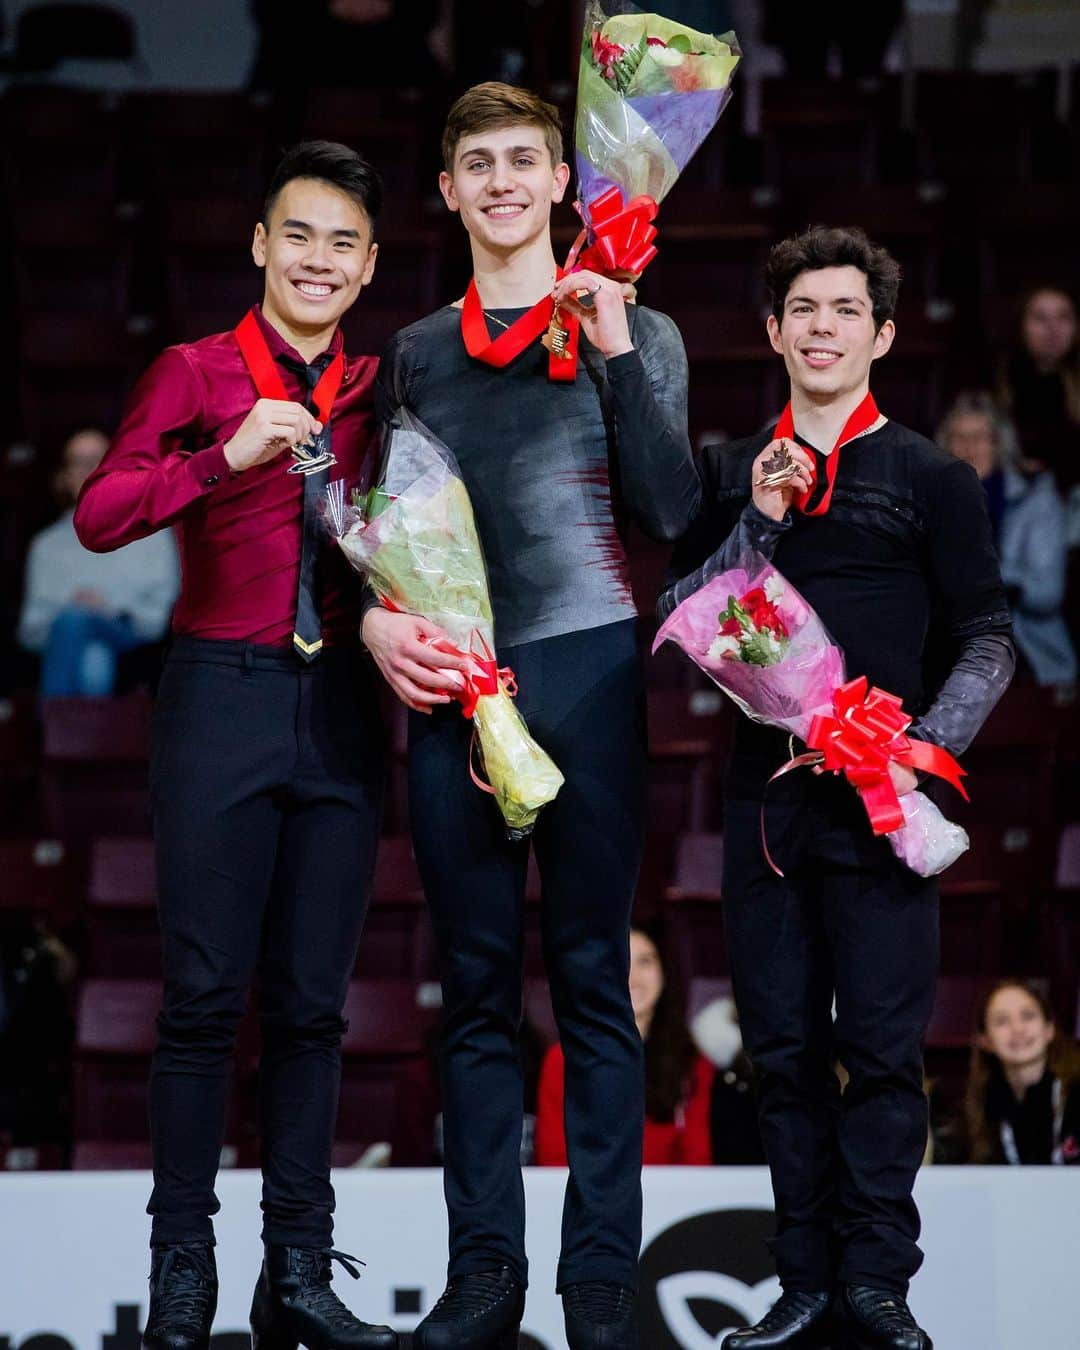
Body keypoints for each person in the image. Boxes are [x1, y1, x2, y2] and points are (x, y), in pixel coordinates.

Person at [364, 82, 699, 1350]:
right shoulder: (414, 351)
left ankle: (600, 1288)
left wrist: (613, 347)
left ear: (565, 182)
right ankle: (485, 1282)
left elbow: (671, 516)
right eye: (477, 166)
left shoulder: (635, 323)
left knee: (594, 991)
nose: (502, 182)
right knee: (476, 989)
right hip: (459, 687)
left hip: (590, 674)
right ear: (446, 193)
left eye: (524, 161)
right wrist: (380, 624)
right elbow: (388, 535)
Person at [660, 225, 1015, 1350]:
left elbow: (990, 640)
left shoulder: (932, 476)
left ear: (883, 333)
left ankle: (877, 1282)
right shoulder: (725, 466)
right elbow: (688, 614)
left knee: (880, 1047)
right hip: (765, 806)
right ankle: (803, 1279)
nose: (822, 328)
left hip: (881, 803)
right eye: (802, 311)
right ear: (773, 332)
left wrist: (917, 747)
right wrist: (761, 516)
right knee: (779, 1055)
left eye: (844, 311)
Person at [73, 141, 396, 1350]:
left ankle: (299, 1273)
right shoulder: (197, 371)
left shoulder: (380, 389)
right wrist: (222, 458)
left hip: (343, 709)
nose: (318, 259)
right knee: (205, 1004)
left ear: (366, 268)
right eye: (297, 235)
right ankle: (183, 1276)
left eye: (342, 244)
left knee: (314, 1011)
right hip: (218, 693)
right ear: (261, 246)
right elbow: (100, 513)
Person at [17, 428, 179, 696]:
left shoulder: (152, 533)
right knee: (94, 656)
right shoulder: (45, 545)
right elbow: (31, 629)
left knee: (78, 624)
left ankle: (52, 733)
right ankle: (81, 736)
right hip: (66, 641)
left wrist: (106, 610)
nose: (88, 470)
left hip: (131, 633)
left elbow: (158, 616)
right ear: (64, 476)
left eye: (98, 459)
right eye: (78, 462)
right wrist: (74, 611)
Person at [535, 928, 713, 1167]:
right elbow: (552, 1158)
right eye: (621, 962)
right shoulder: (563, 1060)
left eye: (645, 962)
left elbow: (698, 1160)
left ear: (664, 973)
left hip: (671, 1200)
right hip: (590, 1200)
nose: (634, 977)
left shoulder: (691, 1061)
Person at [938, 391, 1076, 686]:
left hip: (1025, 647)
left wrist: (985, 572)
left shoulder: (1035, 497)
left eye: (979, 437)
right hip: (946, 642)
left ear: (998, 443)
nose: (968, 447)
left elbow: (1046, 593)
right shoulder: (933, 497)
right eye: (957, 437)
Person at [962, 979, 1080, 1166]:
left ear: (1050, 1029)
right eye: (1002, 1021)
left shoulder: (1075, 1092)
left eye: (1028, 1016)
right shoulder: (982, 1104)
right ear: (984, 1040)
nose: (1018, 1029)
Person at [997, 285, 1080, 492]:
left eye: (1064, 317)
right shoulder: (1001, 380)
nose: (1053, 328)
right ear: (1021, 326)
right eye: (1040, 318)